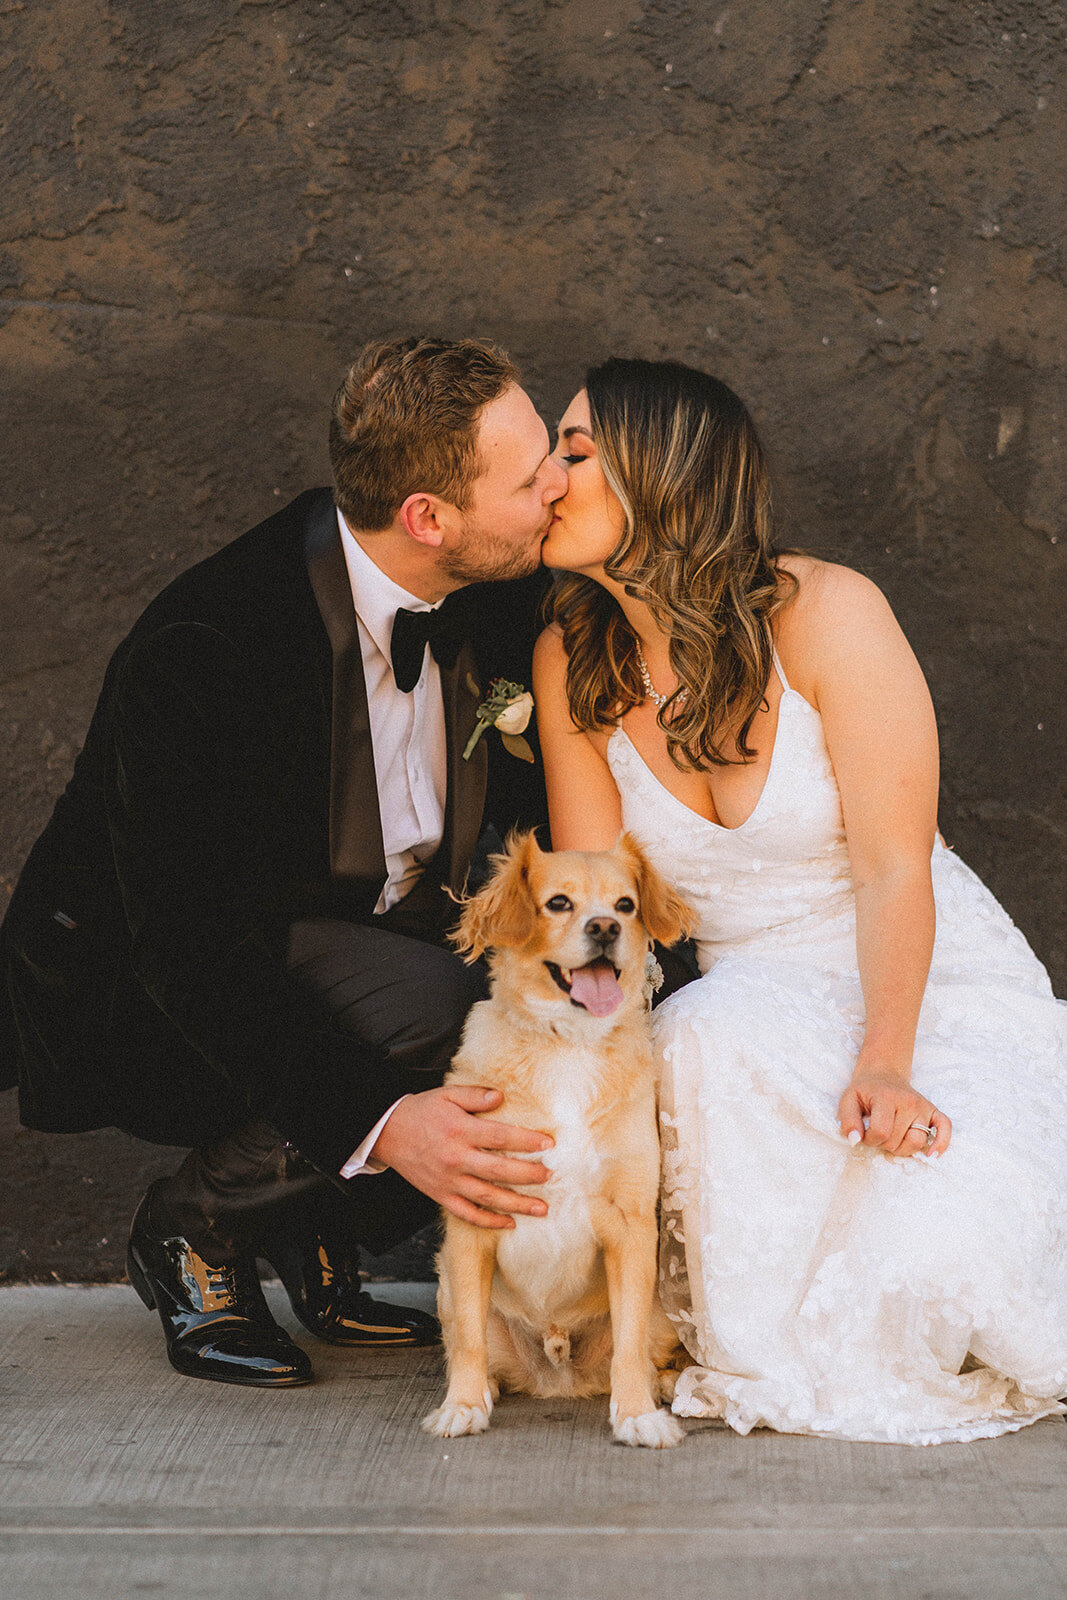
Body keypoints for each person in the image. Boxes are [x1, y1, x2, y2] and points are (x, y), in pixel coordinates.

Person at [0, 336, 568, 1388]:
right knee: (444, 998)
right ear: (427, 519)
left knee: (541, 988)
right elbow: (192, 948)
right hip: (151, 977)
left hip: (358, 930)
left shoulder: (493, 590)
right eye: (531, 473)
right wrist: (382, 1122)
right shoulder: (212, 645)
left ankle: (309, 1228)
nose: (557, 486)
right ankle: (192, 1227)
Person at [533, 356, 1067, 1445]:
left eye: (574, 452)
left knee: (942, 1268)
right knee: (699, 1027)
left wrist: (883, 1057)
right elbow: (597, 919)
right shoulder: (568, 662)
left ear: (662, 470)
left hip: (922, 983)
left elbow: (889, 865)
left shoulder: (826, 612)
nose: (546, 476)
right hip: (752, 1016)